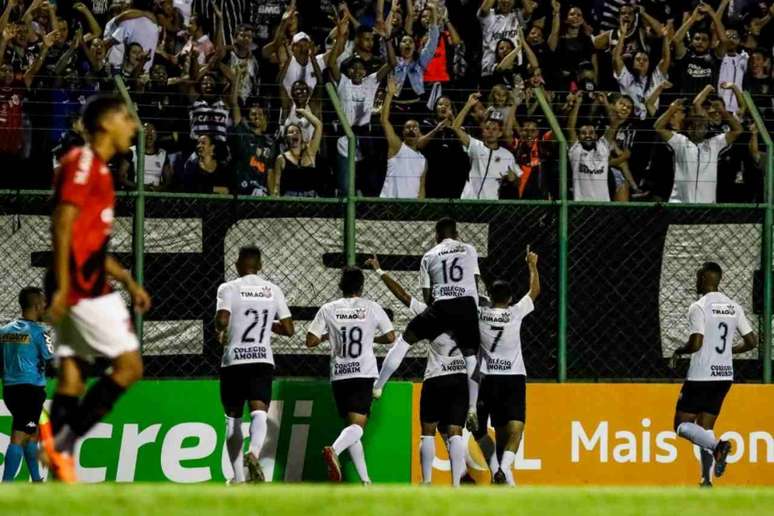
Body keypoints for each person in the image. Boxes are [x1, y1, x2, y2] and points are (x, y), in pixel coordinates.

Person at [40, 94, 150, 483]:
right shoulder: (84, 163)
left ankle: (57, 473)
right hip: (81, 288)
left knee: (72, 378)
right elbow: (62, 224)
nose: (133, 126)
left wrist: (127, 279)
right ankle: (64, 445)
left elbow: (89, 242)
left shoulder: (101, 172)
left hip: (83, 282)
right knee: (129, 367)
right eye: (126, 118)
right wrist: (64, 290)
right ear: (105, 124)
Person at [365, 255, 467, 487]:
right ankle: (456, 486)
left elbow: (403, 296)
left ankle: (427, 482)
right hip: (460, 378)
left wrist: (380, 272)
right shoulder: (470, 313)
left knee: (428, 431)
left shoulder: (430, 312)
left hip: (435, 378)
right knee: (455, 431)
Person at [374, 217, 482, 431]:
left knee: (405, 340)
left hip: (441, 312)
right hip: (468, 307)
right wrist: (470, 310)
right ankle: (473, 408)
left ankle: (378, 386)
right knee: (471, 356)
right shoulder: (469, 249)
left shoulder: (429, 255)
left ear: (436, 235)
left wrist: (437, 308)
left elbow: (423, 296)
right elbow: (475, 282)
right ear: (457, 233)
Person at [668, 262, 757, 487]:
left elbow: (696, 343)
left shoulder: (698, 307)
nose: (697, 281)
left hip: (701, 376)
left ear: (705, 279)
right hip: (724, 376)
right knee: (704, 430)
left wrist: (679, 351)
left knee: (681, 426)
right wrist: (729, 350)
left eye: (699, 277)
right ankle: (706, 480)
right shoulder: (733, 307)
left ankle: (719, 446)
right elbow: (751, 342)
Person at [306, 267, 396, 484]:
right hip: (362, 372)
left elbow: (310, 341)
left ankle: (366, 482)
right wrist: (371, 340)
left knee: (352, 428)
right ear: (362, 286)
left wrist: (330, 335)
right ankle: (333, 450)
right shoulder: (371, 307)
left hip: (340, 375)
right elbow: (391, 336)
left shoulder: (328, 309)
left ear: (340, 286)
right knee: (357, 428)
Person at [215, 246, 294, 483]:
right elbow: (289, 329)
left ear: (238, 265)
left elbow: (222, 320)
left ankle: (238, 478)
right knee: (259, 411)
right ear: (260, 266)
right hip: (261, 359)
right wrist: (268, 322)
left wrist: (221, 330)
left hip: (234, 360)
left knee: (233, 418)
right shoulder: (273, 290)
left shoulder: (228, 288)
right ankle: (254, 452)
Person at [476, 248, 539, 485]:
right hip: (512, 377)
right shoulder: (515, 313)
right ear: (510, 299)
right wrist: (532, 264)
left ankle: (498, 472)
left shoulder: (481, 313)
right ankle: (504, 468)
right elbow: (534, 292)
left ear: (491, 297)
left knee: (485, 430)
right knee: (515, 428)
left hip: (488, 378)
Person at [0, 287, 52, 482]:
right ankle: (6, 485)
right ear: (37, 306)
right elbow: (50, 357)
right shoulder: (39, 333)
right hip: (30, 391)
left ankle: (37, 480)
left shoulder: (4, 331)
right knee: (19, 436)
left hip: (10, 390)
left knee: (32, 434)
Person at [654, 97, 742, 203]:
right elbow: (658, 127)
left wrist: (722, 111)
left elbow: (738, 130)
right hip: (679, 203)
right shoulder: (680, 141)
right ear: (688, 129)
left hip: (706, 205)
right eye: (694, 125)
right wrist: (672, 109)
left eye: (702, 126)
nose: (698, 128)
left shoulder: (714, 143)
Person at [451, 93, 518, 200]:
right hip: (468, 201)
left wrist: (512, 179)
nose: (491, 132)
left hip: (491, 205)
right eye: (487, 128)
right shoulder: (475, 145)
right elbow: (455, 127)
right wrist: (468, 104)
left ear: (500, 133)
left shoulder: (507, 155)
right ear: (483, 131)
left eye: (494, 129)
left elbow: (516, 180)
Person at [379, 77, 427, 199]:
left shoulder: (423, 160)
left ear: (420, 134)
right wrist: (389, 94)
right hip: (389, 204)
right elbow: (384, 121)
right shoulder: (397, 147)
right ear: (402, 132)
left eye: (415, 127)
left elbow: (421, 187)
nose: (411, 129)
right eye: (408, 127)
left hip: (410, 208)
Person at [566, 92, 619, 201]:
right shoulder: (576, 151)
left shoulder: (602, 147)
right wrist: (577, 104)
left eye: (591, 133)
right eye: (583, 133)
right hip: (581, 206)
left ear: (596, 135)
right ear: (579, 136)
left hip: (602, 206)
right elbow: (570, 128)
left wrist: (605, 102)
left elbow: (614, 123)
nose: (587, 136)